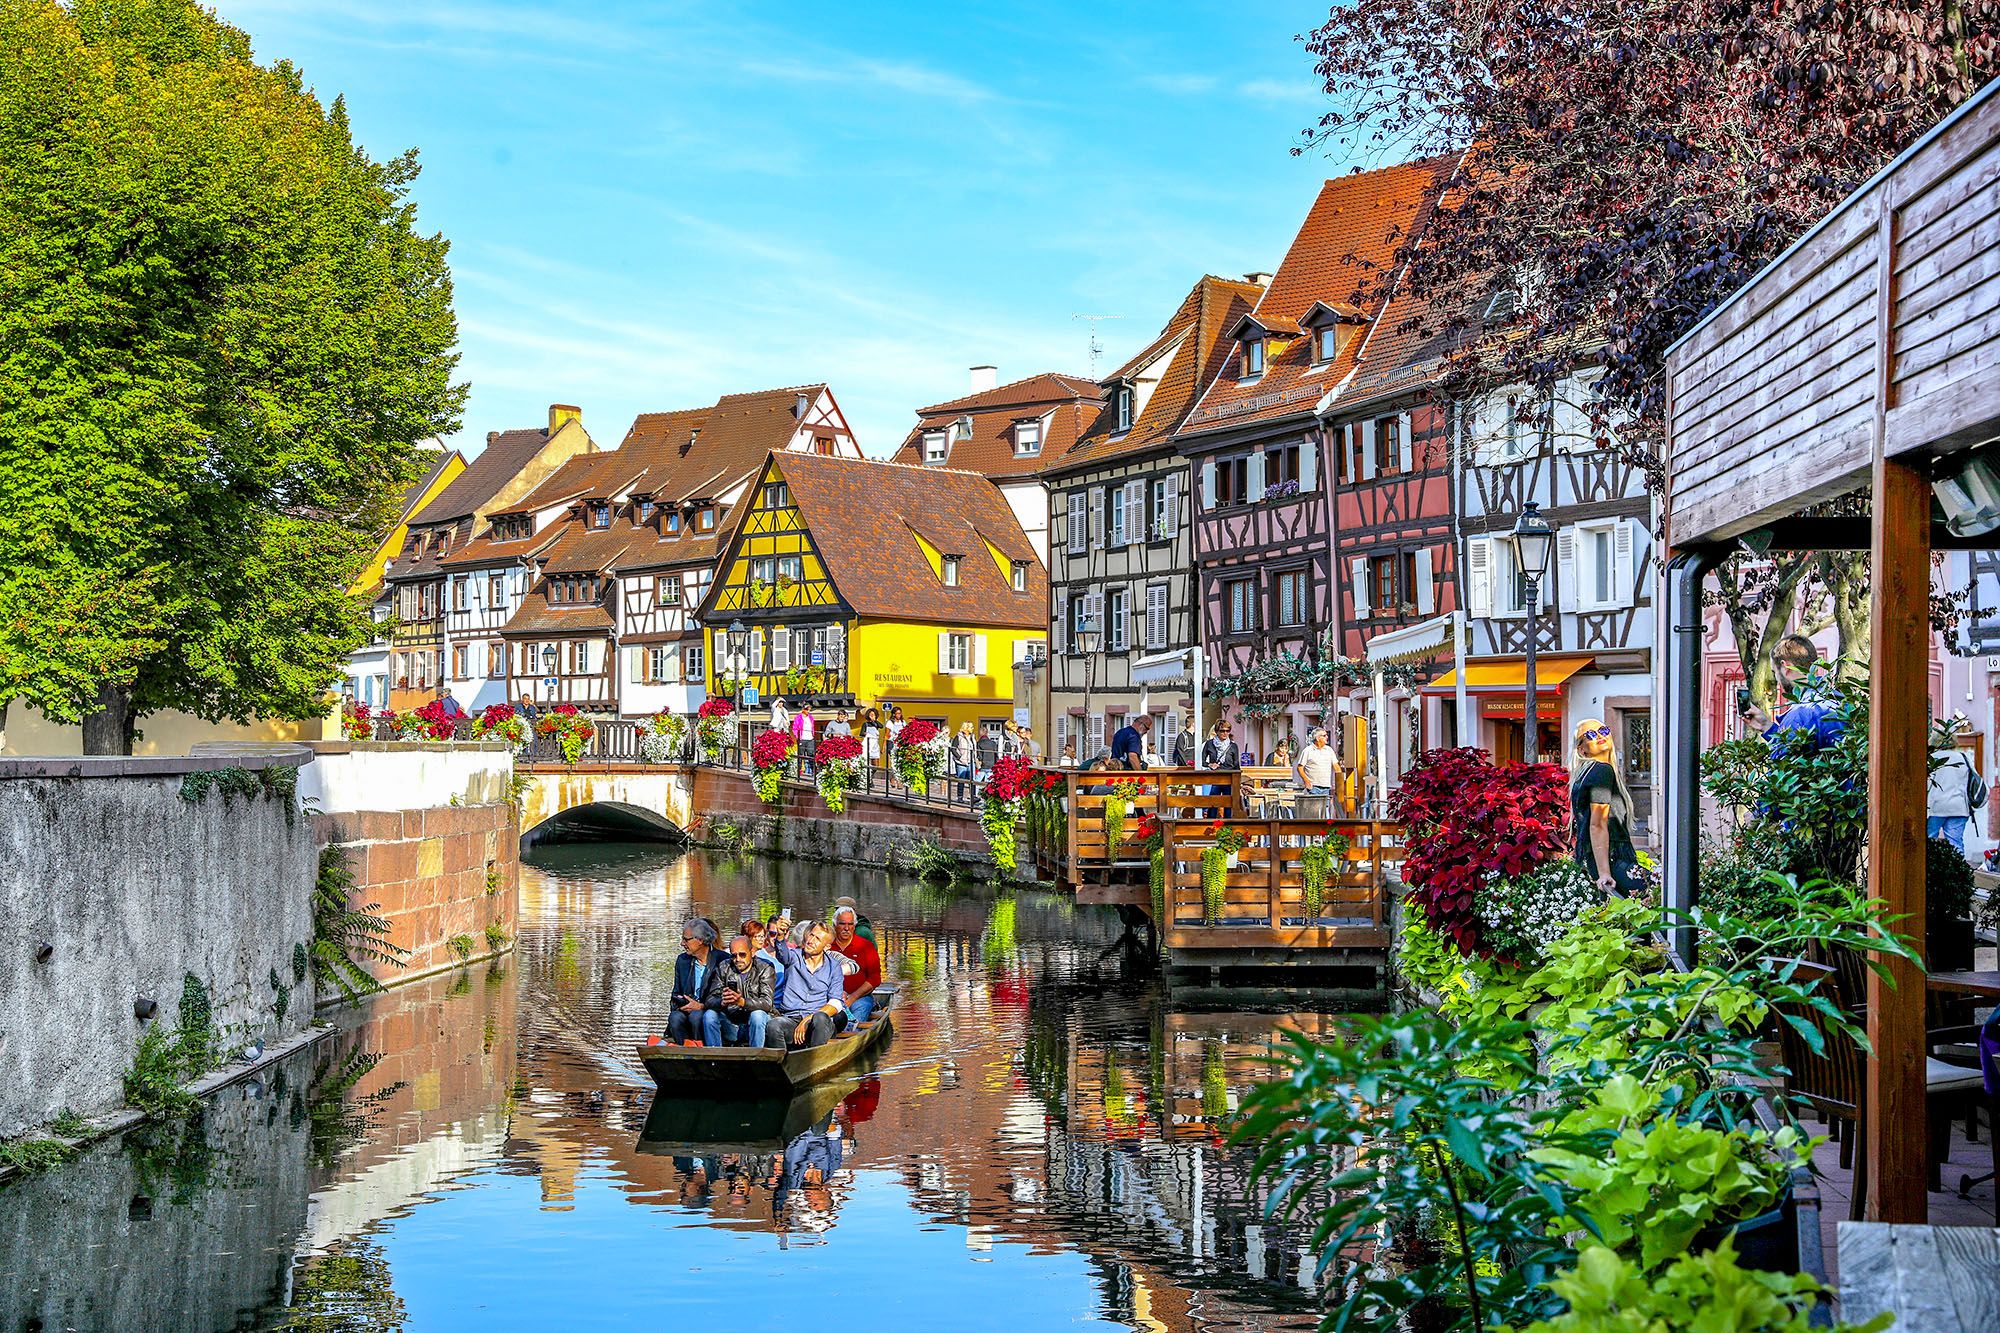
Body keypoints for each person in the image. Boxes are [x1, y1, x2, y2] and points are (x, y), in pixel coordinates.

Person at [1571, 718, 1643, 897]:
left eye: (1603, 731)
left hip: (1605, 861)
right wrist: (1605, 873)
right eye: (1590, 735)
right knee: (1662, 897)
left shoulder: (1587, 773)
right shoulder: (1602, 771)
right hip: (1613, 861)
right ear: (1582, 749)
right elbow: (1598, 824)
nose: (1599, 736)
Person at [1739, 633, 1844, 749]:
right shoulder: (1839, 701)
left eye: (1775, 672)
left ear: (1785, 667)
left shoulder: (1800, 713)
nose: (1777, 679)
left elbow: (1786, 761)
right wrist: (1766, 726)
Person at [772, 921, 850, 1049]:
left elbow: (836, 1003)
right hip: (793, 1019)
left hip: (817, 1021)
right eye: (811, 935)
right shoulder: (794, 957)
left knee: (821, 1018)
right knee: (774, 1026)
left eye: (817, 939)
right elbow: (782, 955)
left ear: (827, 947)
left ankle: (815, 1061)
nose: (811, 940)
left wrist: (808, 1018)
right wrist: (780, 936)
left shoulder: (834, 966)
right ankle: (782, 1063)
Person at [701, 935, 783, 1047]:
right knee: (709, 1015)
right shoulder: (724, 967)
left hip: (758, 1024)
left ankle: (756, 1057)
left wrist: (742, 1002)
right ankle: (715, 1057)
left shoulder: (765, 968)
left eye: (742, 955)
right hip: (732, 1023)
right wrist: (722, 1002)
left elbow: (767, 1003)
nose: (738, 959)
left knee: (757, 1015)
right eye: (734, 956)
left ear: (752, 952)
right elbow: (709, 1000)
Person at [1928, 722, 1986, 853]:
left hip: (1935, 808)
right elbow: (1974, 779)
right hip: (1959, 807)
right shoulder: (1962, 757)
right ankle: (1958, 872)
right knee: (1956, 844)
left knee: (1929, 842)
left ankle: (1930, 871)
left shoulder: (1931, 759)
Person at [666, 917, 721, 1044]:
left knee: (697, 1017)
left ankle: (701, 1051)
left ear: (700, 940)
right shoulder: (682, 961)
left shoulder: (722, 960)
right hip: (686, 1010)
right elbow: (675, 993)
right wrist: (681, 1004)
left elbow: (723, 997)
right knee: (675, 1018)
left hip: (712, 1011)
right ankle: (685, 1053)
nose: (682, 943)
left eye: (686, 939)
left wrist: (701, 1006)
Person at [827, 906, 882, 1024]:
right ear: (835, 925)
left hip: (860, 997)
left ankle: (852, 1035)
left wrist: (852, 997)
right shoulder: (827, 946)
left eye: (850, 924)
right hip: (830, 997)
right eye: (842, 924)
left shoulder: (866, 946)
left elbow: (875, 978)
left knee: (858, 1014)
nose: (847, 928)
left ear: (855, 926)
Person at [1295, 726, 1341, 798]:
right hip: (1313, 787)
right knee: (1314, 808)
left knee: (1325, 808)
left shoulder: (1329, 750)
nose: (1327, 737)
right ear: (1317, 738)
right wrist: (1306, 781)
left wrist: (1340, 783)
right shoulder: (1308, 750)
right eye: (1324, 736)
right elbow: (1300, 768)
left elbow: (1336, 767)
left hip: (1326, 787)